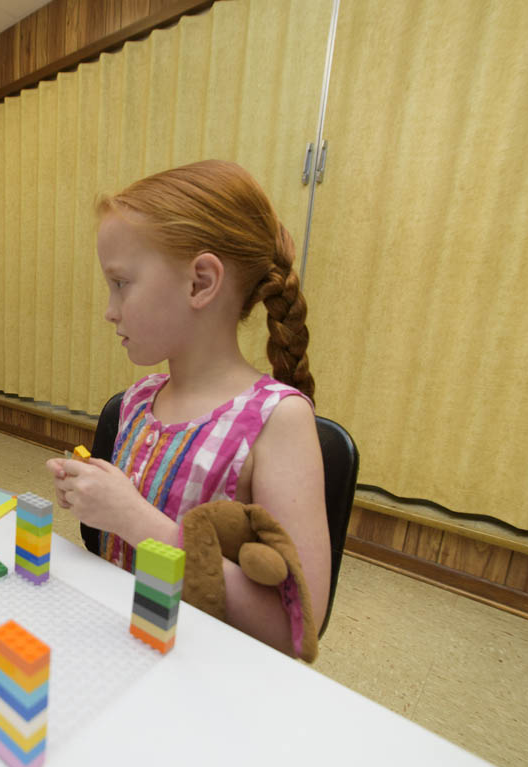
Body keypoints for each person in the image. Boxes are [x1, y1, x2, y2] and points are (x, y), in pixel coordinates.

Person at [46, 160, 330, 656]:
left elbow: (293, 627)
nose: (109, 309)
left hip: (204, 678)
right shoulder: (137, 402)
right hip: (121, 651)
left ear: (200, 282)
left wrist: (134, 518)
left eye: (120, 283)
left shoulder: (279, 421)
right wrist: (94, 497)